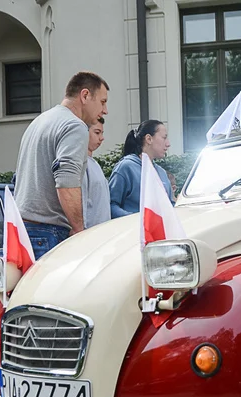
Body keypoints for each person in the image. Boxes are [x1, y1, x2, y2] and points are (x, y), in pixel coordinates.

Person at [13, 71, 109, 259]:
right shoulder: (74, 126)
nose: (105, 110)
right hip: (49, 233)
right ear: (85, 95)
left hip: (24, 230)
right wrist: (79, 229)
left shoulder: (40, 121)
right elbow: (66, 181)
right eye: (103, 102)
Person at [108, 120, 173, 219]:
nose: (168, 144)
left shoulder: (162, 173)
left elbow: (170, 206)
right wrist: (137, 220)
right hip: (133, 232)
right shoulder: (126, 168)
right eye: (164, 138)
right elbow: (111, 206)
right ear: (149, 139)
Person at [83, 118, 111, 229]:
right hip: (88, 233)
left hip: (101, 232)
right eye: (97, 132)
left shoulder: (94, 163)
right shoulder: (81, 163)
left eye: (102, 133)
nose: (101, 138)